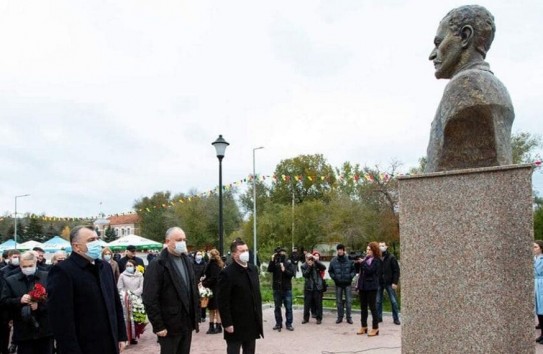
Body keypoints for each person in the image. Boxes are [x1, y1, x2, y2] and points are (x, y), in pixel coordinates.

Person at [425, 5, 514, 172]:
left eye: (439, 43)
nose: (432, 54)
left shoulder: (467, 85)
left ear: (465, 36)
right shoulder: (496, 87)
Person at [46, 225, 127, 354]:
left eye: (97, 238)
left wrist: (121, 335)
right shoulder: (63, 271)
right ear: (76, 246)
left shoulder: (104, 267)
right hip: (84, 345)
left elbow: (115, 303)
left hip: (109, 342)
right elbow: (60, 318)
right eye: (91, 240)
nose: (97, 243)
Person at [142, 227, 200, 354]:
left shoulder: (187, 261)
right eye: (179, 240)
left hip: (186, 322)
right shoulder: (158, 264)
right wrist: (158, 325)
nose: (183, 243)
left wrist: (196, 316)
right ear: (168, 241)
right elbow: (149, 297)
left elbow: (192, 290)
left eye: (184, 239)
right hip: (169, 325)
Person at [0, 251, 53, 354]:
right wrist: (19, 300)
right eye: (24, 266)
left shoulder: (47, 277)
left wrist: (40, 305)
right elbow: (3, 301)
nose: (28, 268)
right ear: (20, 265)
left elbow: (56, 300)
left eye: (30, 265)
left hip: (45, 329)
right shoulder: (11, 280)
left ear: (36, 263)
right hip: (23, 330)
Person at [218, 239, 263, 354]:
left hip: (251, 322)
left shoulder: (253, 269)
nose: (245, 253)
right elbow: (223, 301)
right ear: (234, 254)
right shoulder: (227, 273)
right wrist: (227, 323)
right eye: (241, 251)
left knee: (250, 350)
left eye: (247, 250)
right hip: (235, 323)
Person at [355, 242, 383, 337]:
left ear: (374, 250)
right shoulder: (365, 259)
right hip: (363, 286)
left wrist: (362, 263)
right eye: (367, 249)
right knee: (363, 307)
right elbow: (359, 271)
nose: (367, 251)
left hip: (371, 287)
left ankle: (375, 328)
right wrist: (357, 263)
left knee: (372, 307)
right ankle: (364, 326)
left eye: (369, 249)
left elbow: (370, 270)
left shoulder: (377, 260)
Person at [267, 247, 296, 331]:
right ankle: (278, 324)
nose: (281, 255)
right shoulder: (275, 262)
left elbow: (292, 274)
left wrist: (284, 270)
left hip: (286, 288)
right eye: (280, 253)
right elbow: (269, 269)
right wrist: (272, 260)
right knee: (277, 307)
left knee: (288, 307)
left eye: (283, 253)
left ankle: (289, 324)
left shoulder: (289, 263)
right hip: (277, 288)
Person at [118, 259, 145, 345]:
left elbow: (142, 287)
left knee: (137, 319)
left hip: (137, 299)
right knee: (127, 319)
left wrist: (134, 294)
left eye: (131, 266)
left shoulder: (140, 275)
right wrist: (126, 294)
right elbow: (119, 287)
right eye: (127, 266)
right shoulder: (122, 275)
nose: (129, 267)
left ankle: (134, 336)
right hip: (125, 300)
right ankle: (127, 336)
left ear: (135, 267)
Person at [328, 244, 356, 324]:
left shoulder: (349, 260)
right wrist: (335, 278)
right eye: (338, 249)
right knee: (339, 301)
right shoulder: (333, 260)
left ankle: (348, 317)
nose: (339, 251)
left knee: (348, 301)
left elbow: (354, 270)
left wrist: (350, 276)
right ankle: (340, 317)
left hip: (347, 284)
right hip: (338, 284)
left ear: (343, 250)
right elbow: (330, 271)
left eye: (341, 249)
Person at [376, 242, 401, 325]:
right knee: (378, 301)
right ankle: (379, 318)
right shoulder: (376, 258)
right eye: (380, 246)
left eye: (383, 246)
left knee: (393, 301)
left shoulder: (391, 257)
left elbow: (396, 271)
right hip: (379, 282)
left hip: (389, 283)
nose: (381, 247)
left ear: (386, 247)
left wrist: (395, 282)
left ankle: (396, 318)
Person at [202, 249, 224, 334]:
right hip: (219, 288)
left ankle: (212, 327)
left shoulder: (212, 264)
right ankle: (219, 326)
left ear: (211, 255)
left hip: (213, 289)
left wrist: (204, 283)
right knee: (217, 309)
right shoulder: (220, 263)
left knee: (212, 309)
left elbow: (213, 277)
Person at [301, 252, 326, 325]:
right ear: (305, 259)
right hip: (308, 287)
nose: (309, 260)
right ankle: (305, 318)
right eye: (308, 258)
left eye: (310, 258)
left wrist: (316, 260)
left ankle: (319, 318)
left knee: (318, 304)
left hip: (317, 286)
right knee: (307, 304)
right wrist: (309, 266)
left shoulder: (316, 264)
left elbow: (324, 267)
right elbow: (305, 275)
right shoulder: (303, 265)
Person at [192, 250, 207, 323]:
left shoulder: (204, 264)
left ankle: (203, 316)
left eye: (200, 254)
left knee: (203, 300)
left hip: (202, 284)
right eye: (198, 254)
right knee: (195, 300)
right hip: (194, 284)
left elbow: (206, 273)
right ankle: (196, 316)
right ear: (195, 255)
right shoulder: (192, 264)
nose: (199, 255)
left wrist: (203, 278)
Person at [534, 240, 543, 344]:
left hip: (541, 284)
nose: (533, 249)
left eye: (535, 247)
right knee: (538, 311)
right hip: (536, 285)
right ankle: (541, 334)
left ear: (541, 248)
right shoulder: (533, 258)